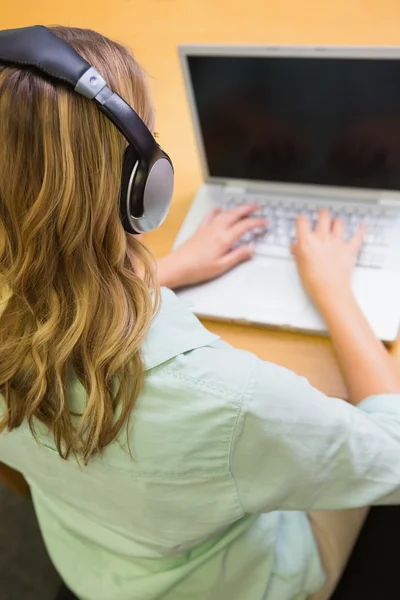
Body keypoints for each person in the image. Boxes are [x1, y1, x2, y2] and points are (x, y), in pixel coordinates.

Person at [1, 26, 400, 600]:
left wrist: (166, 270)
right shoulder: (229, 399)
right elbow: (387, 451)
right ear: (142, 190)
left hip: (93, 559)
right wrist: (335, 289)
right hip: (234, 580)